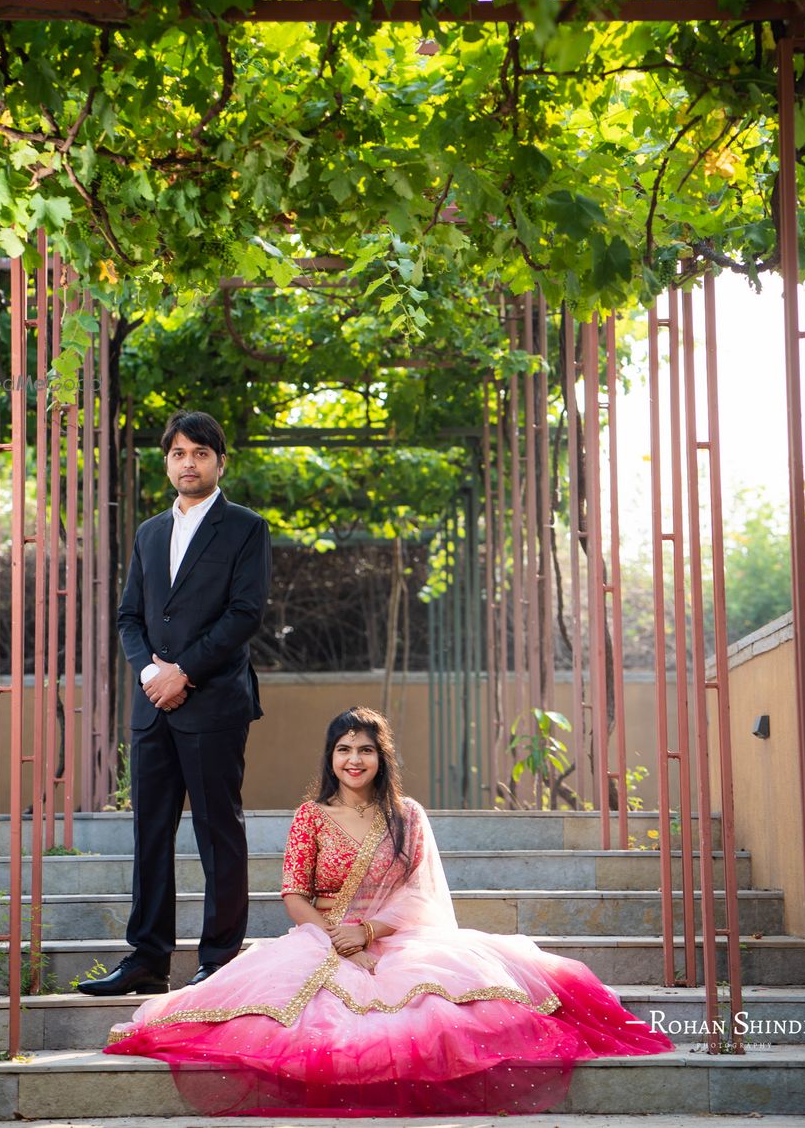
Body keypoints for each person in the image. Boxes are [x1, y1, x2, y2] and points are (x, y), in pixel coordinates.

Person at [105, 706, 671, 1113]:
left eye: (366, 749)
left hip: (398, 937)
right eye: (344, 749)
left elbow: (420, 894)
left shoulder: (407, 816)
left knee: (450, 1011)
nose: (355, 759)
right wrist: (333, 936)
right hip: (321, 936)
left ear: (382, 757)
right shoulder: (310, 816)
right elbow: (293, 892)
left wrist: (368, 930)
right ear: (331, 757)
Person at [78, 409, 271, 997]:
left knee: (218, 831)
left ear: (219, 461)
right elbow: (130, 616)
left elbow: (245, 615)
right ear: (167, 462)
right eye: (178, 454)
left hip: (213, 704)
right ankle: (146, 959)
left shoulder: (245, 528)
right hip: (152, 705)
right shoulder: (149, 532)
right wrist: (149, 674)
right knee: (150, 831)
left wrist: (183, 672)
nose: (188, 463)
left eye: (200, 453)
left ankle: (219, 958)